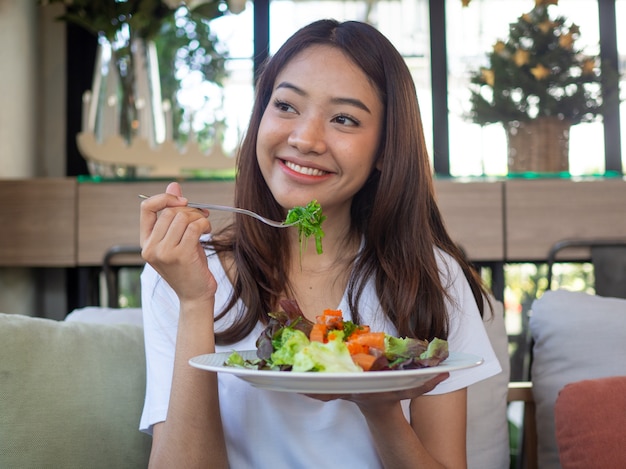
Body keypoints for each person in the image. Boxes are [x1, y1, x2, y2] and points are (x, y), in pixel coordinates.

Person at [139, 19, 501, 468]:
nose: (304, 139)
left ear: (386, 149)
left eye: (344, 119)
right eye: (286, 106)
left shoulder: (431, 276)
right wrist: (196, 301)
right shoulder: (188, 271)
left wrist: (379, 404)